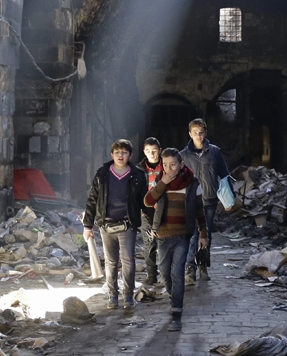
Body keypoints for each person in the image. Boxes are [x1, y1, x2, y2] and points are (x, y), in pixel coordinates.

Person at [144, 148, 208, 332]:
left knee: (177, 273)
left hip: (183, 235)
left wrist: (203, 234)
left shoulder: (192, 183)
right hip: (163, 235)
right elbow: (148, 201)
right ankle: (174, 297)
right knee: (165, 273)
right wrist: (162, 183)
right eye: (165, 165)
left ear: (181, 165)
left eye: (173, 164)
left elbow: (199, 211)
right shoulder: (160, 181)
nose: (169, 169)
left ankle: (176, 314)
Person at [83, 139, 149, 310]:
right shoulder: (103, 174)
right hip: (106, 224)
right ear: (112, 155)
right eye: (117, 152)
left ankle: (127, 296)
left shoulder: (137, 175)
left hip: (127, 224)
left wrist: (153, 224)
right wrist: (87, 226)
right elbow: (93, 200)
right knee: (110, 262)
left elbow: (145, 202)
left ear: (130, 155)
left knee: (128, 260)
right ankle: (113, 296)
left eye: (124, 152)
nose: (121, 155)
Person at [180, 118, 229, 283]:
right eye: (195, 133)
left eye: (201, 132)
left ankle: (203, 265)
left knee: (205, 234)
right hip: (191, 201)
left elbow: (224, 174)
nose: (198, 136)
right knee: (191, 234)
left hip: (209, 199)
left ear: (205, 133)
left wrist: (229, 199)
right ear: (190, 134)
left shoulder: (214, 152)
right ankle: (190, 268)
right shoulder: (183, 155)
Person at [138, 137, 164, 285]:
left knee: (165, 242)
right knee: (149, 243)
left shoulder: (166, 166)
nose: (152, 154)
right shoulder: (140, 169)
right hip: (147, 210)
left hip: (164, 209)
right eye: (148, 151)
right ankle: (152, 275)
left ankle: (167, 273)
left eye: (154, 151)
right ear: (144, 152)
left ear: (159, 151)